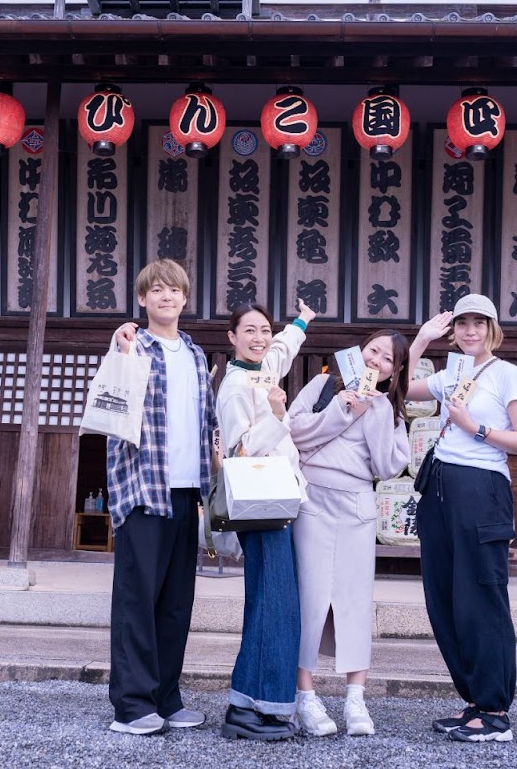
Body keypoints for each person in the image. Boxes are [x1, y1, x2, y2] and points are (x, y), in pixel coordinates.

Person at [406, 294, 517, 743]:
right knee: (443, 598)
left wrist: (475, 428)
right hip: (440, 487)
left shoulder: (507, 374)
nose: (469, 332)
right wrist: (419, 343)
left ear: (492, 329)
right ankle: (473, 702)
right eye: (461, 324)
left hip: (482, 490)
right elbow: (403, 389)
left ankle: (495, 709)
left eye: (478, 324)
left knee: (481, 596)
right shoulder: (451, 373)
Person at [105, 259, 216, 736]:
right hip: (143, 489)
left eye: (174, 290)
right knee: (137, 601)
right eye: (157, 290)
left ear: (185, 299)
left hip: (187, 490)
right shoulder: (131, 346)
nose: (166, 297)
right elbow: (111, 410)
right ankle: (132, 706)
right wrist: (119, 347)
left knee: (175, 602)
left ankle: (166, 698)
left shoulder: (194, 354)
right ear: (143, 299)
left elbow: (206, 419)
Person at [287, 328, 412, 737]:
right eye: (372, 350)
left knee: (355, 602)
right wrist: (342, 407)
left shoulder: (391, 410)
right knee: (309, 598)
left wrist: (374, 411)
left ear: (395, 372)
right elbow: (293, 430)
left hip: (357, 505)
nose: (376, 360)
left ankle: (355, 700)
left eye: (387, 358)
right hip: (312, 501)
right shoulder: (324, 384)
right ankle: (305, 696)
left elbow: (388, 466)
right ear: (359, 353)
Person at [213, 299, 317, 740]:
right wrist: (276, 416)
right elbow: (239, 450)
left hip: (277, 501)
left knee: (273, 601)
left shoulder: (260, 368)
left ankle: (255, 703)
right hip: (262, 504)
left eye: (264, 330)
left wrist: (300, 322)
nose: (259, 338)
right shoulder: (235, 385)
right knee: (274, 603)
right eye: (249, 330)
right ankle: (255, 706)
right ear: (232, 337)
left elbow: (282, 350)